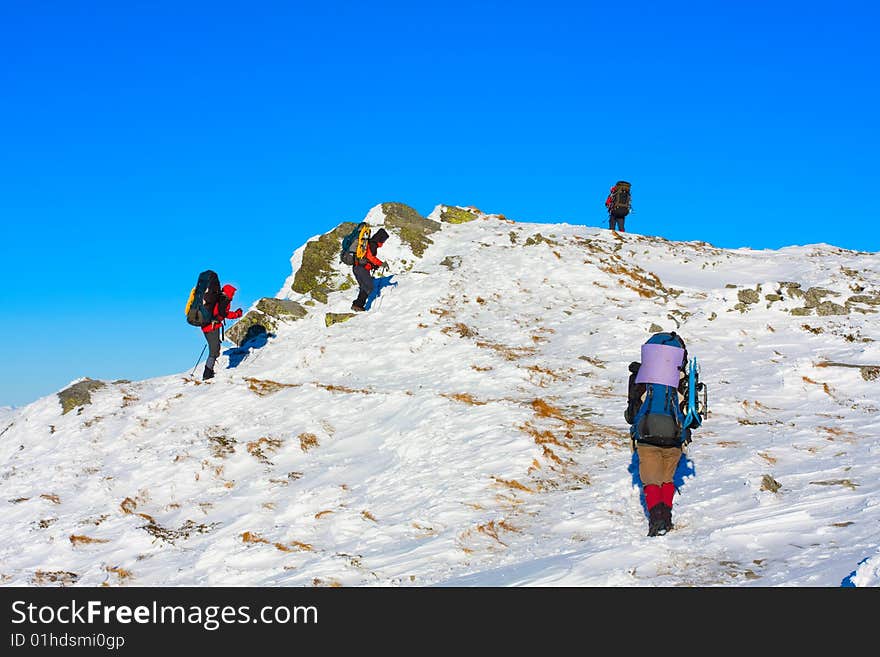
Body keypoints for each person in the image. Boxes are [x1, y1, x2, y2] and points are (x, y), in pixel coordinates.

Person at [625, 331, 697, 536]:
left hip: (647, 436)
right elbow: (691, 412)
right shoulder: (682, 378)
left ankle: (657, 521)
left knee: (651, 481)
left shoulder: (642, 376)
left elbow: (632, 413)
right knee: (667, 479)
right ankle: (666, 518)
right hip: (675, 436)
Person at [201, 283, 243, 379]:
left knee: (214, 349)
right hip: (212, 326)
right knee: (214, 351)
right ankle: (207, 374)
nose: (233, 295)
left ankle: (208, 372)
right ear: (229, 292)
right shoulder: (224, 300)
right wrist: (237, 314)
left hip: (206, 325)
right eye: (233, 293)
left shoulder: (217, 298)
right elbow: (224, 313)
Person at [351, 227, 389, 312]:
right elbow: (370, 257)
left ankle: (357, 306)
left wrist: (373, 266)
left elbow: (367, 258)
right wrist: (381, 264)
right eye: (383, 240)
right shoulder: (373, 244)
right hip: (362, 269)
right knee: (369, 287)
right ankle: (358, 305)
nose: (383, 242)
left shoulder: (368, 244)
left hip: (356, 267)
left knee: (364, 287)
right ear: (381, 238)